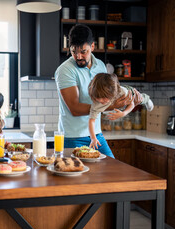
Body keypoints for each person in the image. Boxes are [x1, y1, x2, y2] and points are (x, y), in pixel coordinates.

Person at [54, 24, 143, 158]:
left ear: (93, 47)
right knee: (77, 176)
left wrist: (128, 101)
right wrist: (112, 106)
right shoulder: (65, 70)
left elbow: (108, 95)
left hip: (96, 134)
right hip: (73, 137)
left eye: (83, 51)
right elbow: (75, 109)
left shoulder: (100, 66)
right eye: (73, 51)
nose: (78, 56)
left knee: (111, 170)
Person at [88, 73, 153, 148]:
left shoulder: (122, 92)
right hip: (116, 99)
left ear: (111, 94)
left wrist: (123, 113)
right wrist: (93, 138)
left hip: (127, 92)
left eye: (104, 97)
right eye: (98, 97)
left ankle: (147, 99)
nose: (101, 100)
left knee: (138, 98)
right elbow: (91, 121)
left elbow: (132, 104)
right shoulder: (96, 104)